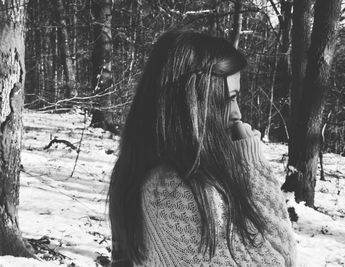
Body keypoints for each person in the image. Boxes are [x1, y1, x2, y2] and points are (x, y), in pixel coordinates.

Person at [108, 29, 297, 266]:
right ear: (196, 102)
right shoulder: (174, 191)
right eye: (230, 98)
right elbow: (280, 260)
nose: (237, 113)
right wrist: (253, 164)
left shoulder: (144, 172)